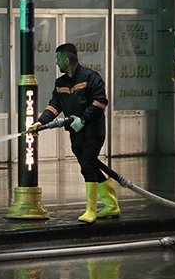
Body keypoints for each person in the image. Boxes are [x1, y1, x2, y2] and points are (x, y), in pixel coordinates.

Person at [28, 43, 120, 224]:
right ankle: (111, 205)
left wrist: (83, 119)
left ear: (66, 59)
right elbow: (54, 105)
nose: (56, 63)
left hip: (93, 131)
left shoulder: (90, 77)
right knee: (91, 166)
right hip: (76, 134)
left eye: (58, 59)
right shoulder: (60, 83)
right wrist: (40, 122)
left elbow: (100, 102)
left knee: (87, 165)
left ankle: (90, 211)